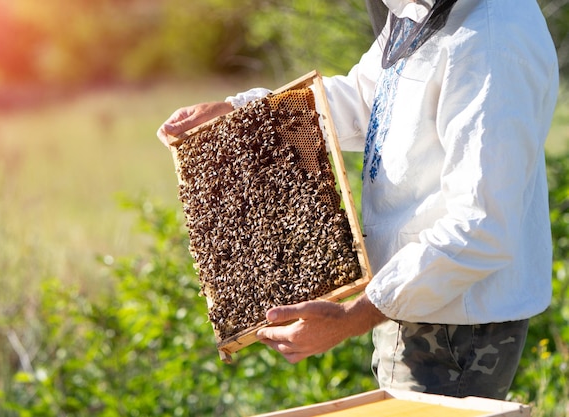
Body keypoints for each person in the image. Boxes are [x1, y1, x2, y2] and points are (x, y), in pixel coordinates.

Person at [157, 0, 559, 400]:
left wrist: (352, 317)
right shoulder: (423, 11)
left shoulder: (490, 39)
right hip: (411, 307)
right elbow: (367, 100)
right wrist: (243, 113)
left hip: (456, 328)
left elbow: (482, 225)